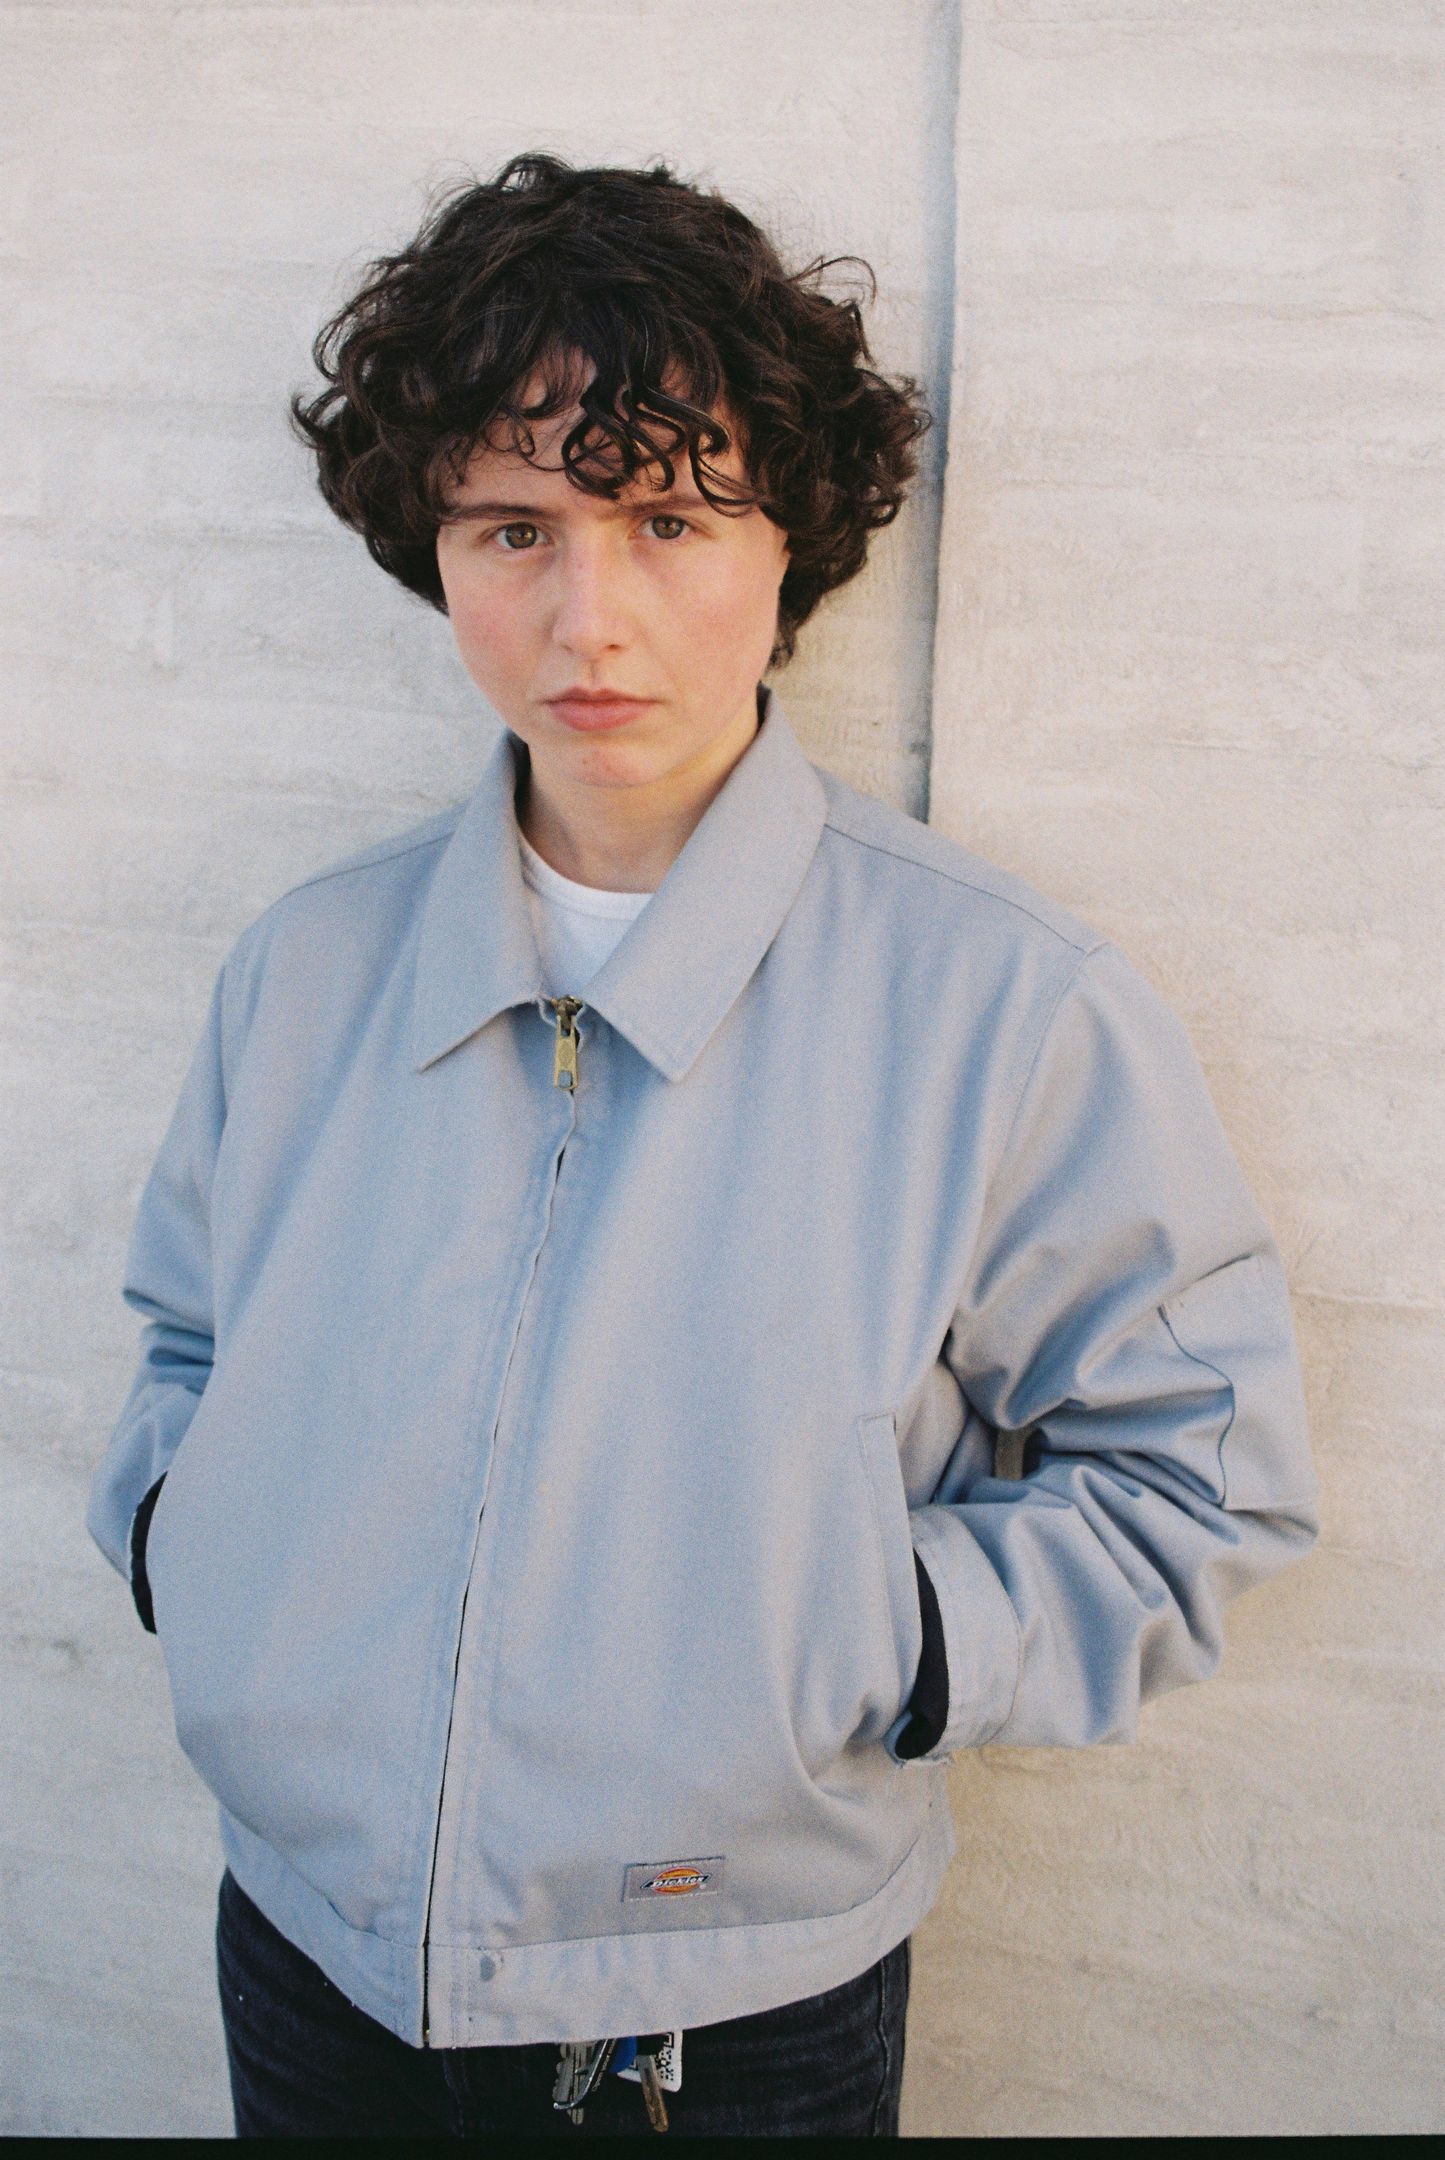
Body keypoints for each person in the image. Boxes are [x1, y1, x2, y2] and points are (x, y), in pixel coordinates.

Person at [86, 151, 1318, 2140]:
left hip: (723, 2017)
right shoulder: (305, 969)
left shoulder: (1001, 1004)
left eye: (668, 518)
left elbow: (1200, 1474)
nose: (591, 616)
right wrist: (192, 1544)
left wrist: (880, 1647)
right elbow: (184, 1347)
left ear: (790, 540)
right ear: (435, 551)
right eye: (513, 527)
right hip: (307, 1948)